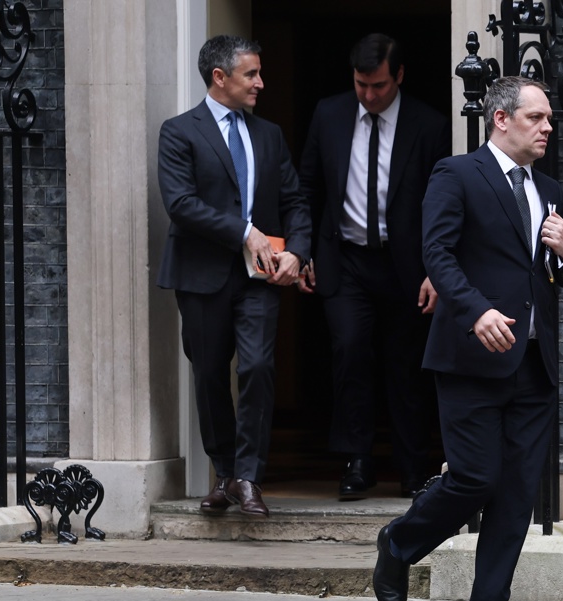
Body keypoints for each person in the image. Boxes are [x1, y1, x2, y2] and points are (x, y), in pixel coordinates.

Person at [371, 77, 563, 601]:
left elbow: (561, 277)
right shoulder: (458, 174)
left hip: (534, 363)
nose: (547, 127)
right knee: (474, 478)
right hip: (471, 356)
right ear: (501, 119)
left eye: (548, 119)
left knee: (517, 491)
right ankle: (399, 542)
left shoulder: (549, 188)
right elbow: (437, 254)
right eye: (536, 117)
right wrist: (475, 312)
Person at [157, 35, 310, 518]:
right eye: (252, 74)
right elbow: (181, 203)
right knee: (209, 375)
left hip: (260, 279)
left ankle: (248, 476)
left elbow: (294, 200)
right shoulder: (179, 132)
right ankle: (224, 474)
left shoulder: (269, 134)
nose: (261, 83)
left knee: (258, 367)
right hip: (201, 276)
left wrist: (298, 251)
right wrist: (245, 232)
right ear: (219, 77)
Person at [298, 33, 451, 500]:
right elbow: (308, 187)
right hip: (344, 260)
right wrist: (302, 250)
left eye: (379, 85)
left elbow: (444, 203)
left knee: (407, 366)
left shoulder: (429, 124)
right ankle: (357, 462)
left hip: (407, 265)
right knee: (350, 353)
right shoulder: (329, 114)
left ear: (399, 75)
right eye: (361, 84)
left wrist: (437, 269)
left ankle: (413, 468)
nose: (368, 94)